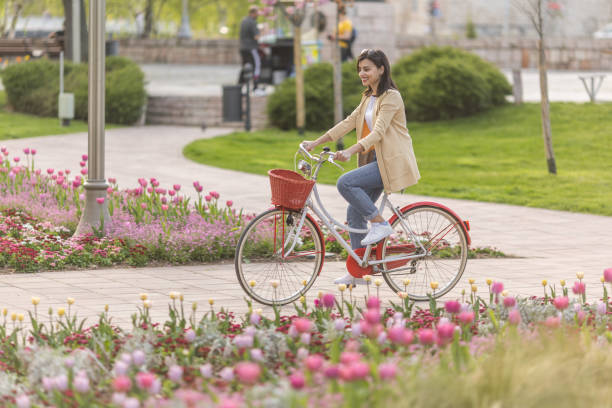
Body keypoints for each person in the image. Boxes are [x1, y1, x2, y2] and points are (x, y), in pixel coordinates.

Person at [302, 49, 420, 285]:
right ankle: (360, 272)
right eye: (360, 70)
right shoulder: (369, 97)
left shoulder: (391, 97)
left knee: (345, 183)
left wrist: (350, 150)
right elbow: (348, 122)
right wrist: (316, 142)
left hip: (389, 162)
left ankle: (380, 224)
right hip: (374, 161)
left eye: (367, 69)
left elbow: (378, 132)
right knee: (353, 214)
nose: (362, 74)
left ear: (381, 69)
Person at [239, 6, 261, 91]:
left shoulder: (243, 21)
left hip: (242, 48)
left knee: (245, 66)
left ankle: (239, 85)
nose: (258, 15)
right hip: (251, 48)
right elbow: (256, 36)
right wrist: (262, 32)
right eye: (257, 13)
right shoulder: (252, 22)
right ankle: (255, 86)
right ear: (253, 13)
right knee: (256, 65)